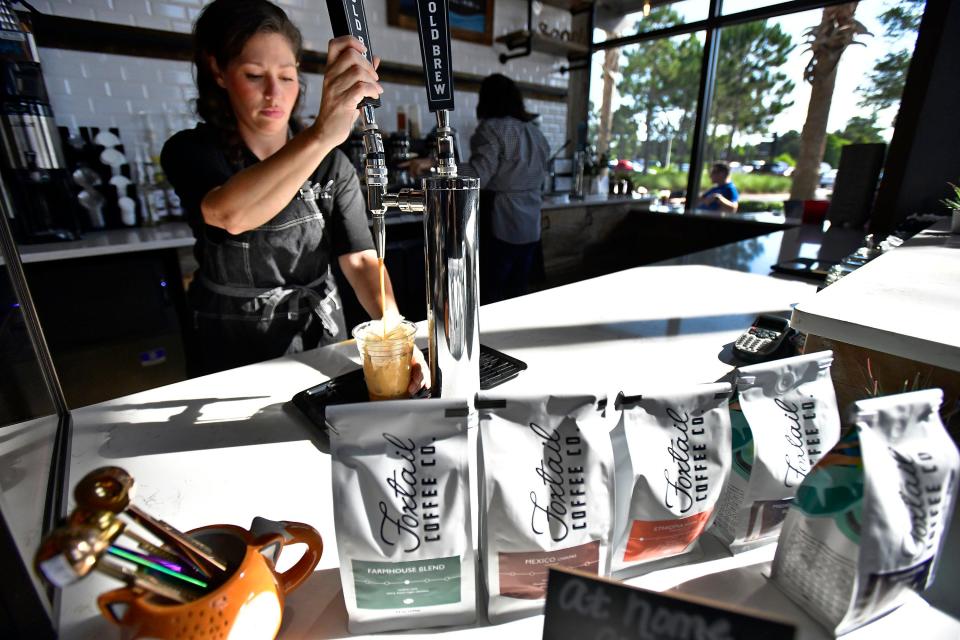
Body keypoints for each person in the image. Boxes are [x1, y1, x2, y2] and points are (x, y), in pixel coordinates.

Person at [162, 0, 425, 389]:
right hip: (230, 354)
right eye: (254, 75)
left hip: (318, 342)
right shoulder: (191, 151)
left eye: (286, 77)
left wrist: (396, 334)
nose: (273, 93)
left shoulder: (332, 165)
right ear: (218, 71)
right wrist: (321, 134)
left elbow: (362, 261)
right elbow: (229, 214)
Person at [407, 73, 550, 303]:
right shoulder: (535, 132)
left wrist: (434, 163)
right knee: (520, 293)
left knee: (490, 293)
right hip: (531, 224)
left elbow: (478, 174)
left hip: (502, 219)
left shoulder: (492, 129)